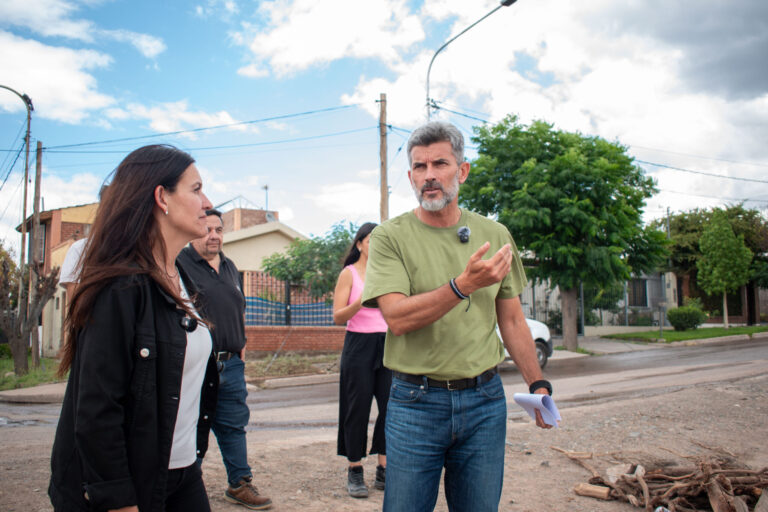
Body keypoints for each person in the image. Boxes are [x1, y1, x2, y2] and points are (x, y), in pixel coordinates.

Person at [361, 121, 555, 512]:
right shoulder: (389, 237)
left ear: (462, 171)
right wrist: (461, 286)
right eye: (419, 167)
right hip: (415, 401)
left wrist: (538, 384)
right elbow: (396, 318)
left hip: (484, 401)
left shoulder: (494, 234)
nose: (429, 176)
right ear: (411, 175)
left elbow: (513, 321)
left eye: (440, 164)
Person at [49, 145, 220, 512]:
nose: (206, 202)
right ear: (162, 197)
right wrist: (119, 500)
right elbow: (96, 407)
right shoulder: (121, 286)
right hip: (130, 482)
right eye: (195, 189)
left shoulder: (184, 276)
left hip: (182, 470)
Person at [177, 209, 273, 510]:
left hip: (230, 363)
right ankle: (183, 487)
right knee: (191, 427)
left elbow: (236, 308)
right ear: (194, 231)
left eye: (219, 229)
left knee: (233, 425)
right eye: (207, 230)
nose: (214, 235)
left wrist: (240, 341)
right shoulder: (179, 263)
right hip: (195, 365)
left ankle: (239, 484)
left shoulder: (230, 267)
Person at [332, 222, 392, 499]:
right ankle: (355, 470)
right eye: (370, 240)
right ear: (359, 244)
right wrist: (362, 302)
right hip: (358, 345)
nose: (375, 245)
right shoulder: (349, 274)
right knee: (357, 408)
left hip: (389, 345)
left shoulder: (388, 273)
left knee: (391, 407)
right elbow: (338, 316)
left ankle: (384, 468)